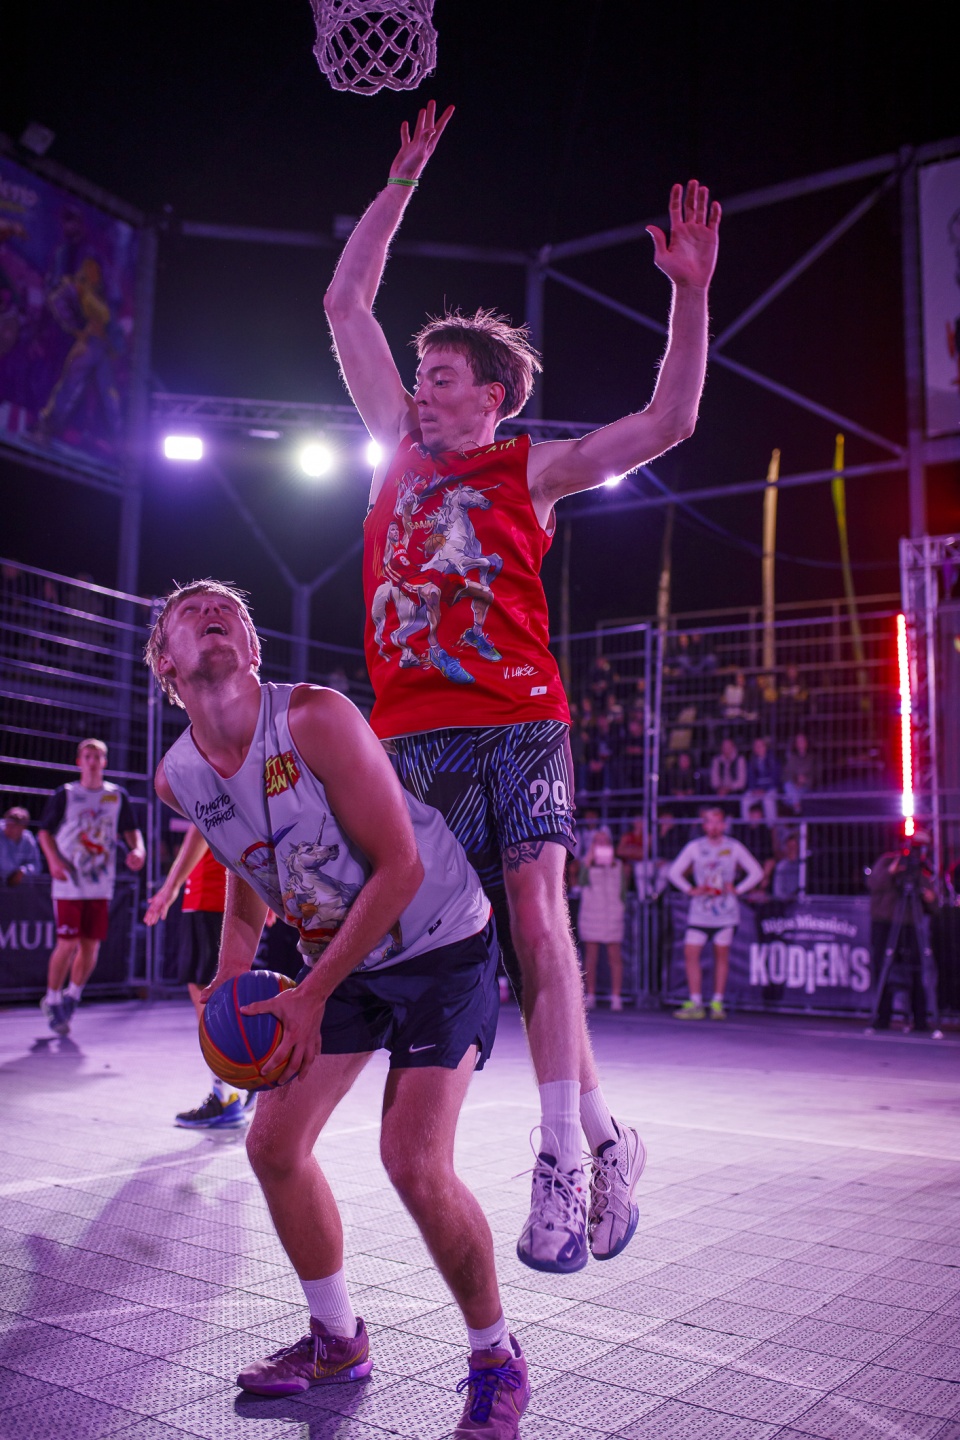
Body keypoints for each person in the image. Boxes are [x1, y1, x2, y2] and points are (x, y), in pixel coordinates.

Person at [323, 100, 720, 1271]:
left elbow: (671, 418)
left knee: (542, 920)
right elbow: (345, 302)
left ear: (491, 396)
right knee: (490, 952)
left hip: (518, 720)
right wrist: (398, 185)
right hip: (413, 741)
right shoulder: (394, 444)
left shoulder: (530, 468)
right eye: (421, 372)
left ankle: (556, 1160)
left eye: (443, 375)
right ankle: (606, 1137)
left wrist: (691, 294)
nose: (423, 385)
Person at [145, 580, 529, 1436]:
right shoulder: (179, 777)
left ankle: (496, 1356)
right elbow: (247, 870)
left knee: (412, 1160)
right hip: (343, 954)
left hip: (438, 936)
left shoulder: (315, 718)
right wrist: (232, 981)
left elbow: (401, 866)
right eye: (190, 612)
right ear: (165, 663)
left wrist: (310, 994)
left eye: (230, 611)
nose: (214, 613)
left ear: (252, 649)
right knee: (272, 1146)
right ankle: (336, 1338)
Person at [143, 823, 254, 1129]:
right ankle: (245, 1080)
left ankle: (227, 1097)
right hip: (232, 896)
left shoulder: (205, 790)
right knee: (225, 1001)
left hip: (209, 896)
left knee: (209, 1003)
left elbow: (200, 829)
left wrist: (170, 887)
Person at [36, 738, 145, 1035]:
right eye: (88, 756)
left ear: (105, 762)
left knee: (90, 946)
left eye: (98, 756)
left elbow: (131, 831)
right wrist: (54, 862)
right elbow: (44, 833)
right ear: (79, 761)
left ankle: (73, 995)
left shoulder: (116, 795)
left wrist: (138, 850)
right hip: (70, 882)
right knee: (67, 943)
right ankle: (52, 998)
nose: (93, 761)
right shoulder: (67, 794)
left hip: (100, 882)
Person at [667, 805, 764, 1020]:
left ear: (724, 824)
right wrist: (690, 889)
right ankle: (696, 1002)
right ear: (704, 825)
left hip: (725, 912)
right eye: (709, 822)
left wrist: (738, 889)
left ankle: (717, 1002)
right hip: (700, 911)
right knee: (691, 953)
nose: (713, 826)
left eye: (717, 822)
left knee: (722, 955)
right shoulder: (695, 847)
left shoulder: (733, 847)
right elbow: (673, 872)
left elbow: (756, 872)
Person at [867, 834, 936, 1034]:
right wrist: (891, 871)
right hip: (885, 924)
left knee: (916, 970)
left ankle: (920, 1019)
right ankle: (882, 1017)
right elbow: (872, 883)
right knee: (883, 969)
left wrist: (930, 898)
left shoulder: (921, 871)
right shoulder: (887, 861)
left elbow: (933, 905)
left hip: (909, 924)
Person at [577, 828, 627, 1011]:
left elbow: (623, 891)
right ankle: (590, 995)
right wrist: (588, 861)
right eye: (598, 841)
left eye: (605, 841)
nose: (602, 844)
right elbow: (580, 883)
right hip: (591, 914)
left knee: (615, 957)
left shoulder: (618, 865)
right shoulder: (586, 863)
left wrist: (620, 908)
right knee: (591, 957)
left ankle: (616, 996)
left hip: (613, 915)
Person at [742, 736, 780, 824]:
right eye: (756, 746)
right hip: (756, 789)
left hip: (770, 788)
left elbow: (775, 778)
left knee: (768, 800)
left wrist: (765, 789)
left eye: (760, 746)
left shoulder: (773, 759)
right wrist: (754, 789)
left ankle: (771, 826)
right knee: (745, 800)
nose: (758, 748)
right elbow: (750, 778)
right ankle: (747, 825)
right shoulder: (751, 761)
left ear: (765, 747)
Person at [0, 805, 41, 886]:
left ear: (23, 828)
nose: (8, 828)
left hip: (16, 884)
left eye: (13, 826)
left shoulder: (27, 839)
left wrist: (23, 871)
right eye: (7, 824)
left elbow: (36, 865)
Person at [783, 732, 817, 814]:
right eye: (798, 741)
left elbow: (815, 775)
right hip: (794, 786)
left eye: (802, 740)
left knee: (788, 798)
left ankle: (795, 805)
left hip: (807, 786)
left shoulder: (812, 758)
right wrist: (796, 780)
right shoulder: (792, 758)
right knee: (788, 785)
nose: (800, 743)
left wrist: (804, 780)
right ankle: (797, 805)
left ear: (806, 742)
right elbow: (786, 774)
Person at [709, 737, 746, 803]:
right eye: (724, 747)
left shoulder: (740, 759)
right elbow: (714, 779)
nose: (726, 749)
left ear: (733, 747)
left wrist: (728, 789)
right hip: (719, 790)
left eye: (729, 746)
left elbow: (741, 782)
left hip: (735, 791)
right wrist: (720, 788)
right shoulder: (716, 760)